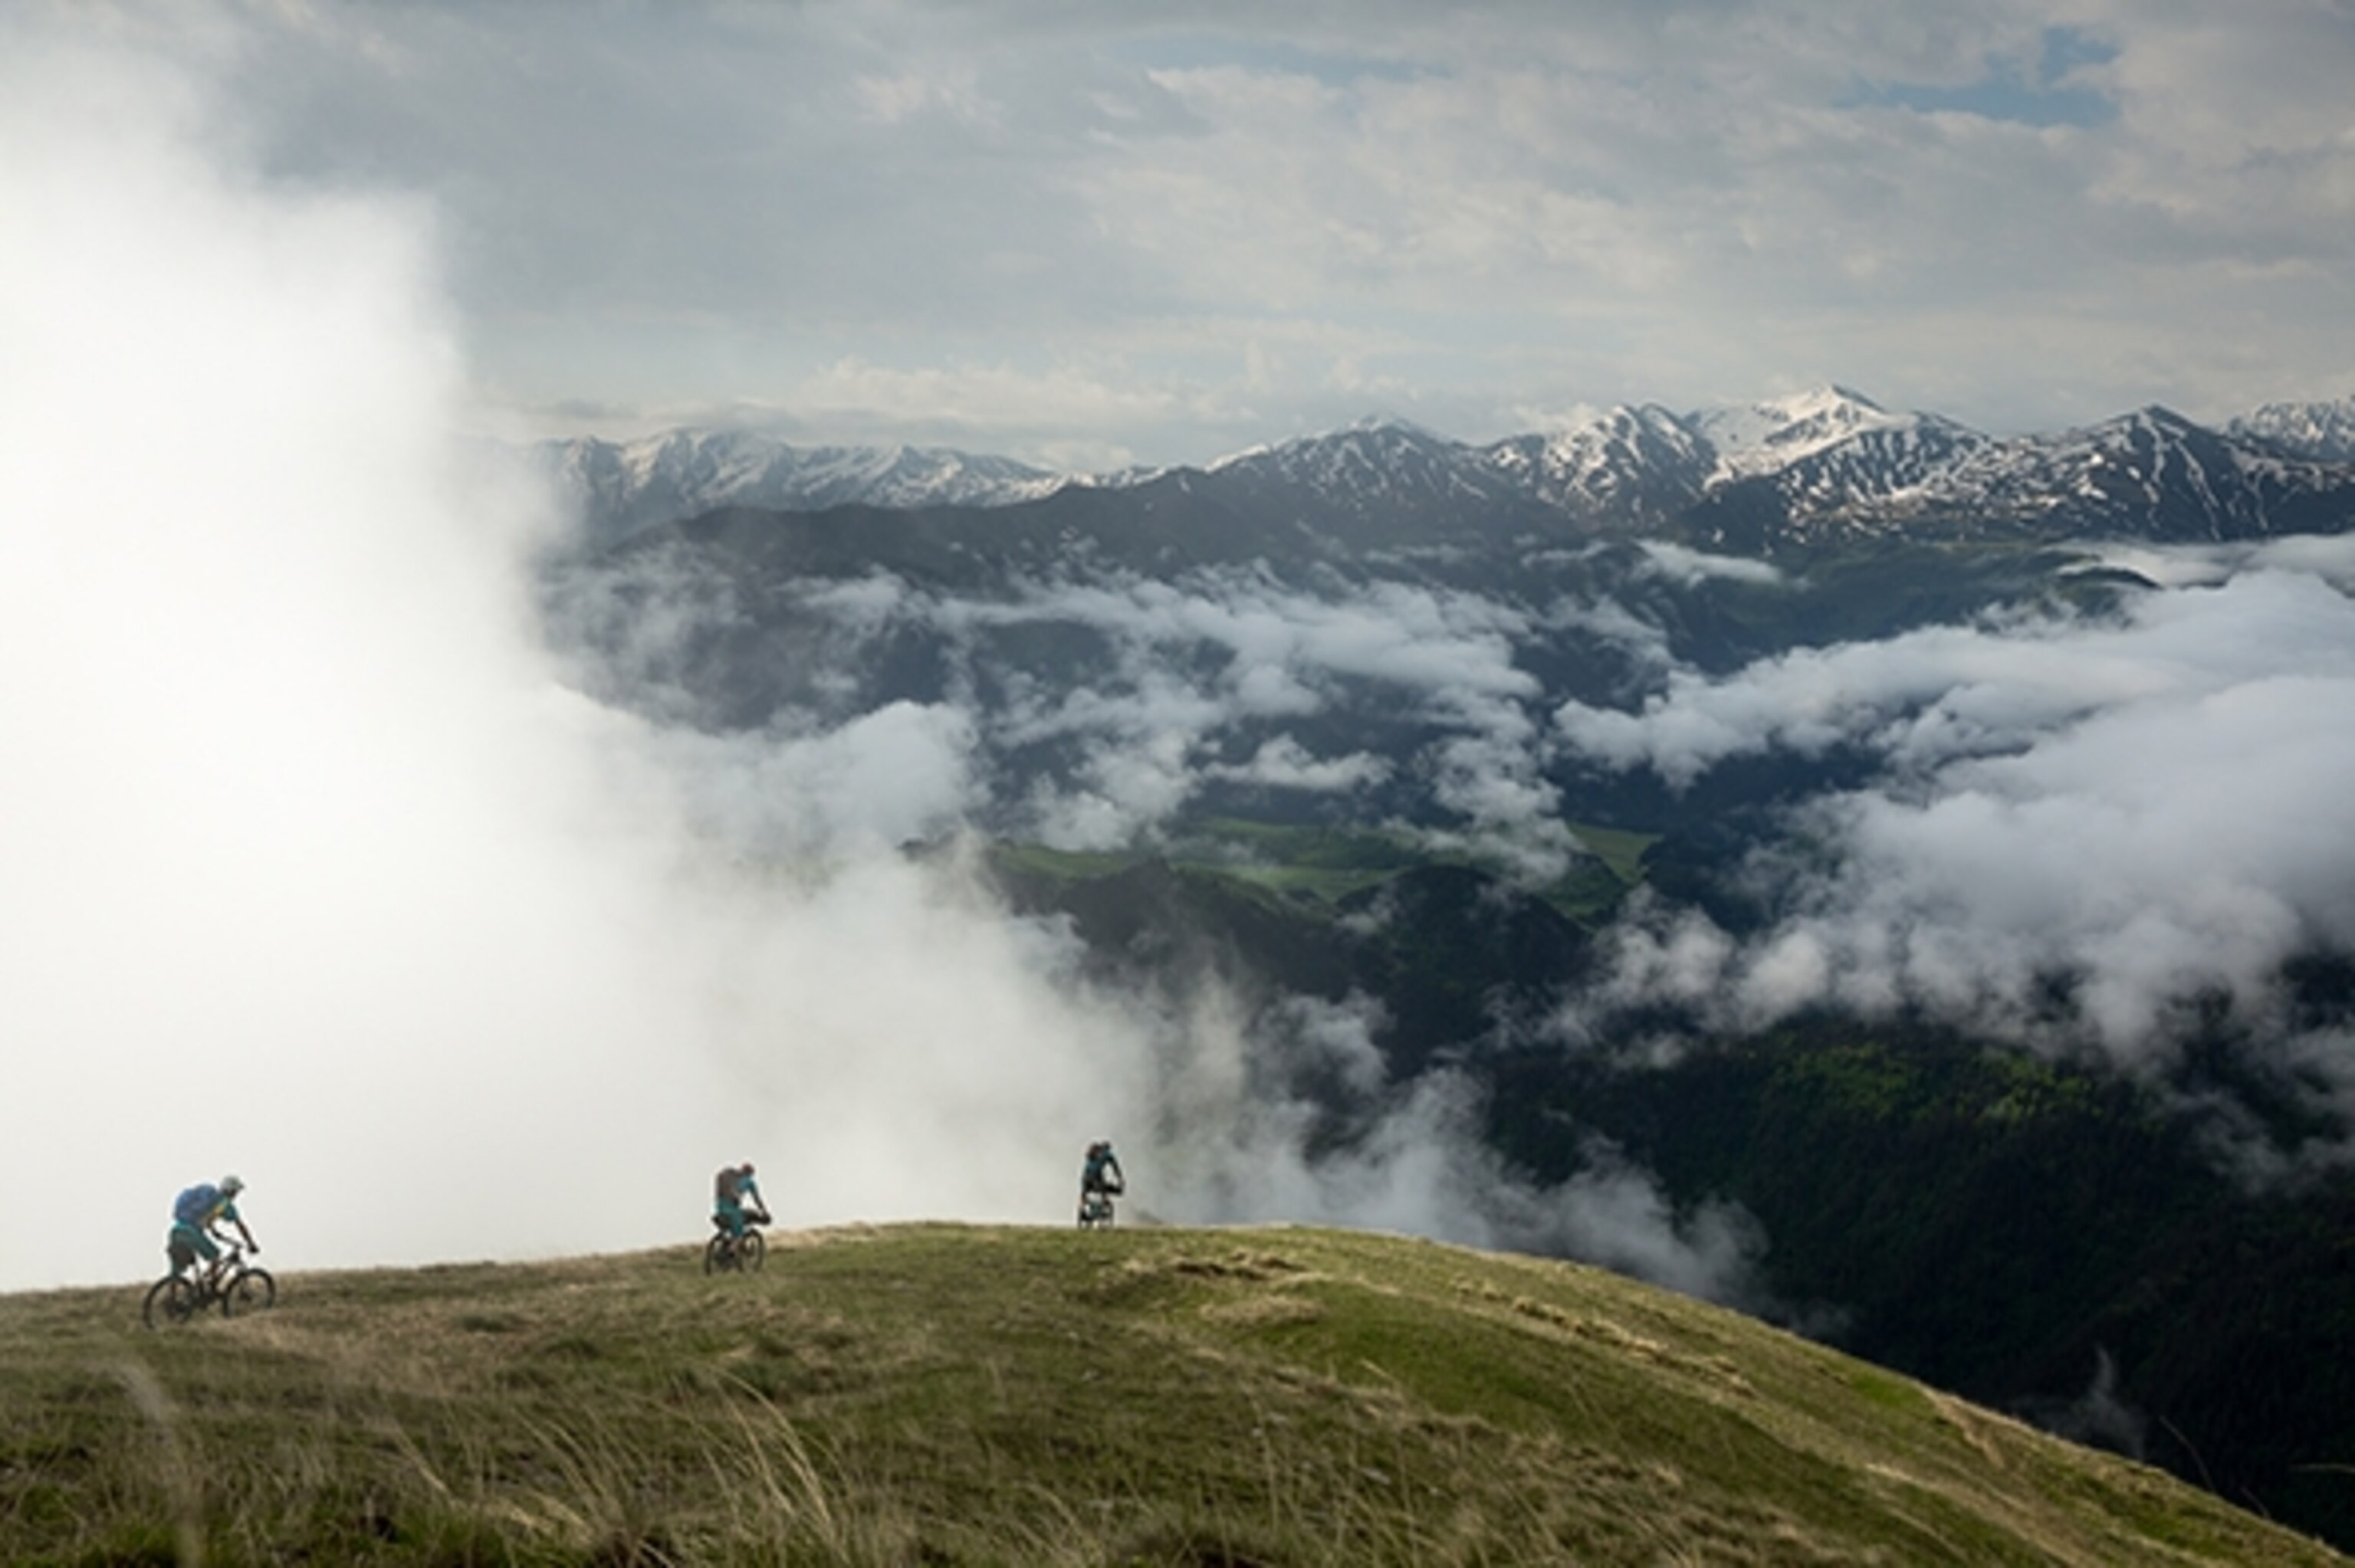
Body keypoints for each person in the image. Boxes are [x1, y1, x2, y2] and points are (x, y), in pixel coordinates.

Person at [168, 1175, 257, 1283]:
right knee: (215, 1257)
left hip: (176, 1230)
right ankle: (208, 1287)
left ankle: (171, 1295)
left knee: (176, 1272)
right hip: (191, 1232)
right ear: (232, 1191)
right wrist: (250, 1243)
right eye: (236, 1192)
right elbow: (240, 1226)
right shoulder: (224, 1204)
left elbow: (208, 1220)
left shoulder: (212, 1199)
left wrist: (216, 1233)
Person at [712, 1161, 770, 1242]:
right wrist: (764, 1211)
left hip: (721, 1207)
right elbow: (757, 1199)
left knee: (736, 1221)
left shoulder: (731, 1177)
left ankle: (731, 1244)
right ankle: (733, 1247)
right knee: (739, 1226)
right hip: (732, 1209)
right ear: (751, 1173)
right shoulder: (749, 1182)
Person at [1079, 1139, 1124, 1217]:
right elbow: (1115, 1167)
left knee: (1084, 1193)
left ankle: (1082, 1207)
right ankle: (1104, 1202)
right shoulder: (1107, 1154)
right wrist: (1120, 1179)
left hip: (1085, 1180)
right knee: (1105, 1188)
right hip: (1097, 1181)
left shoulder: (1091, 1155)